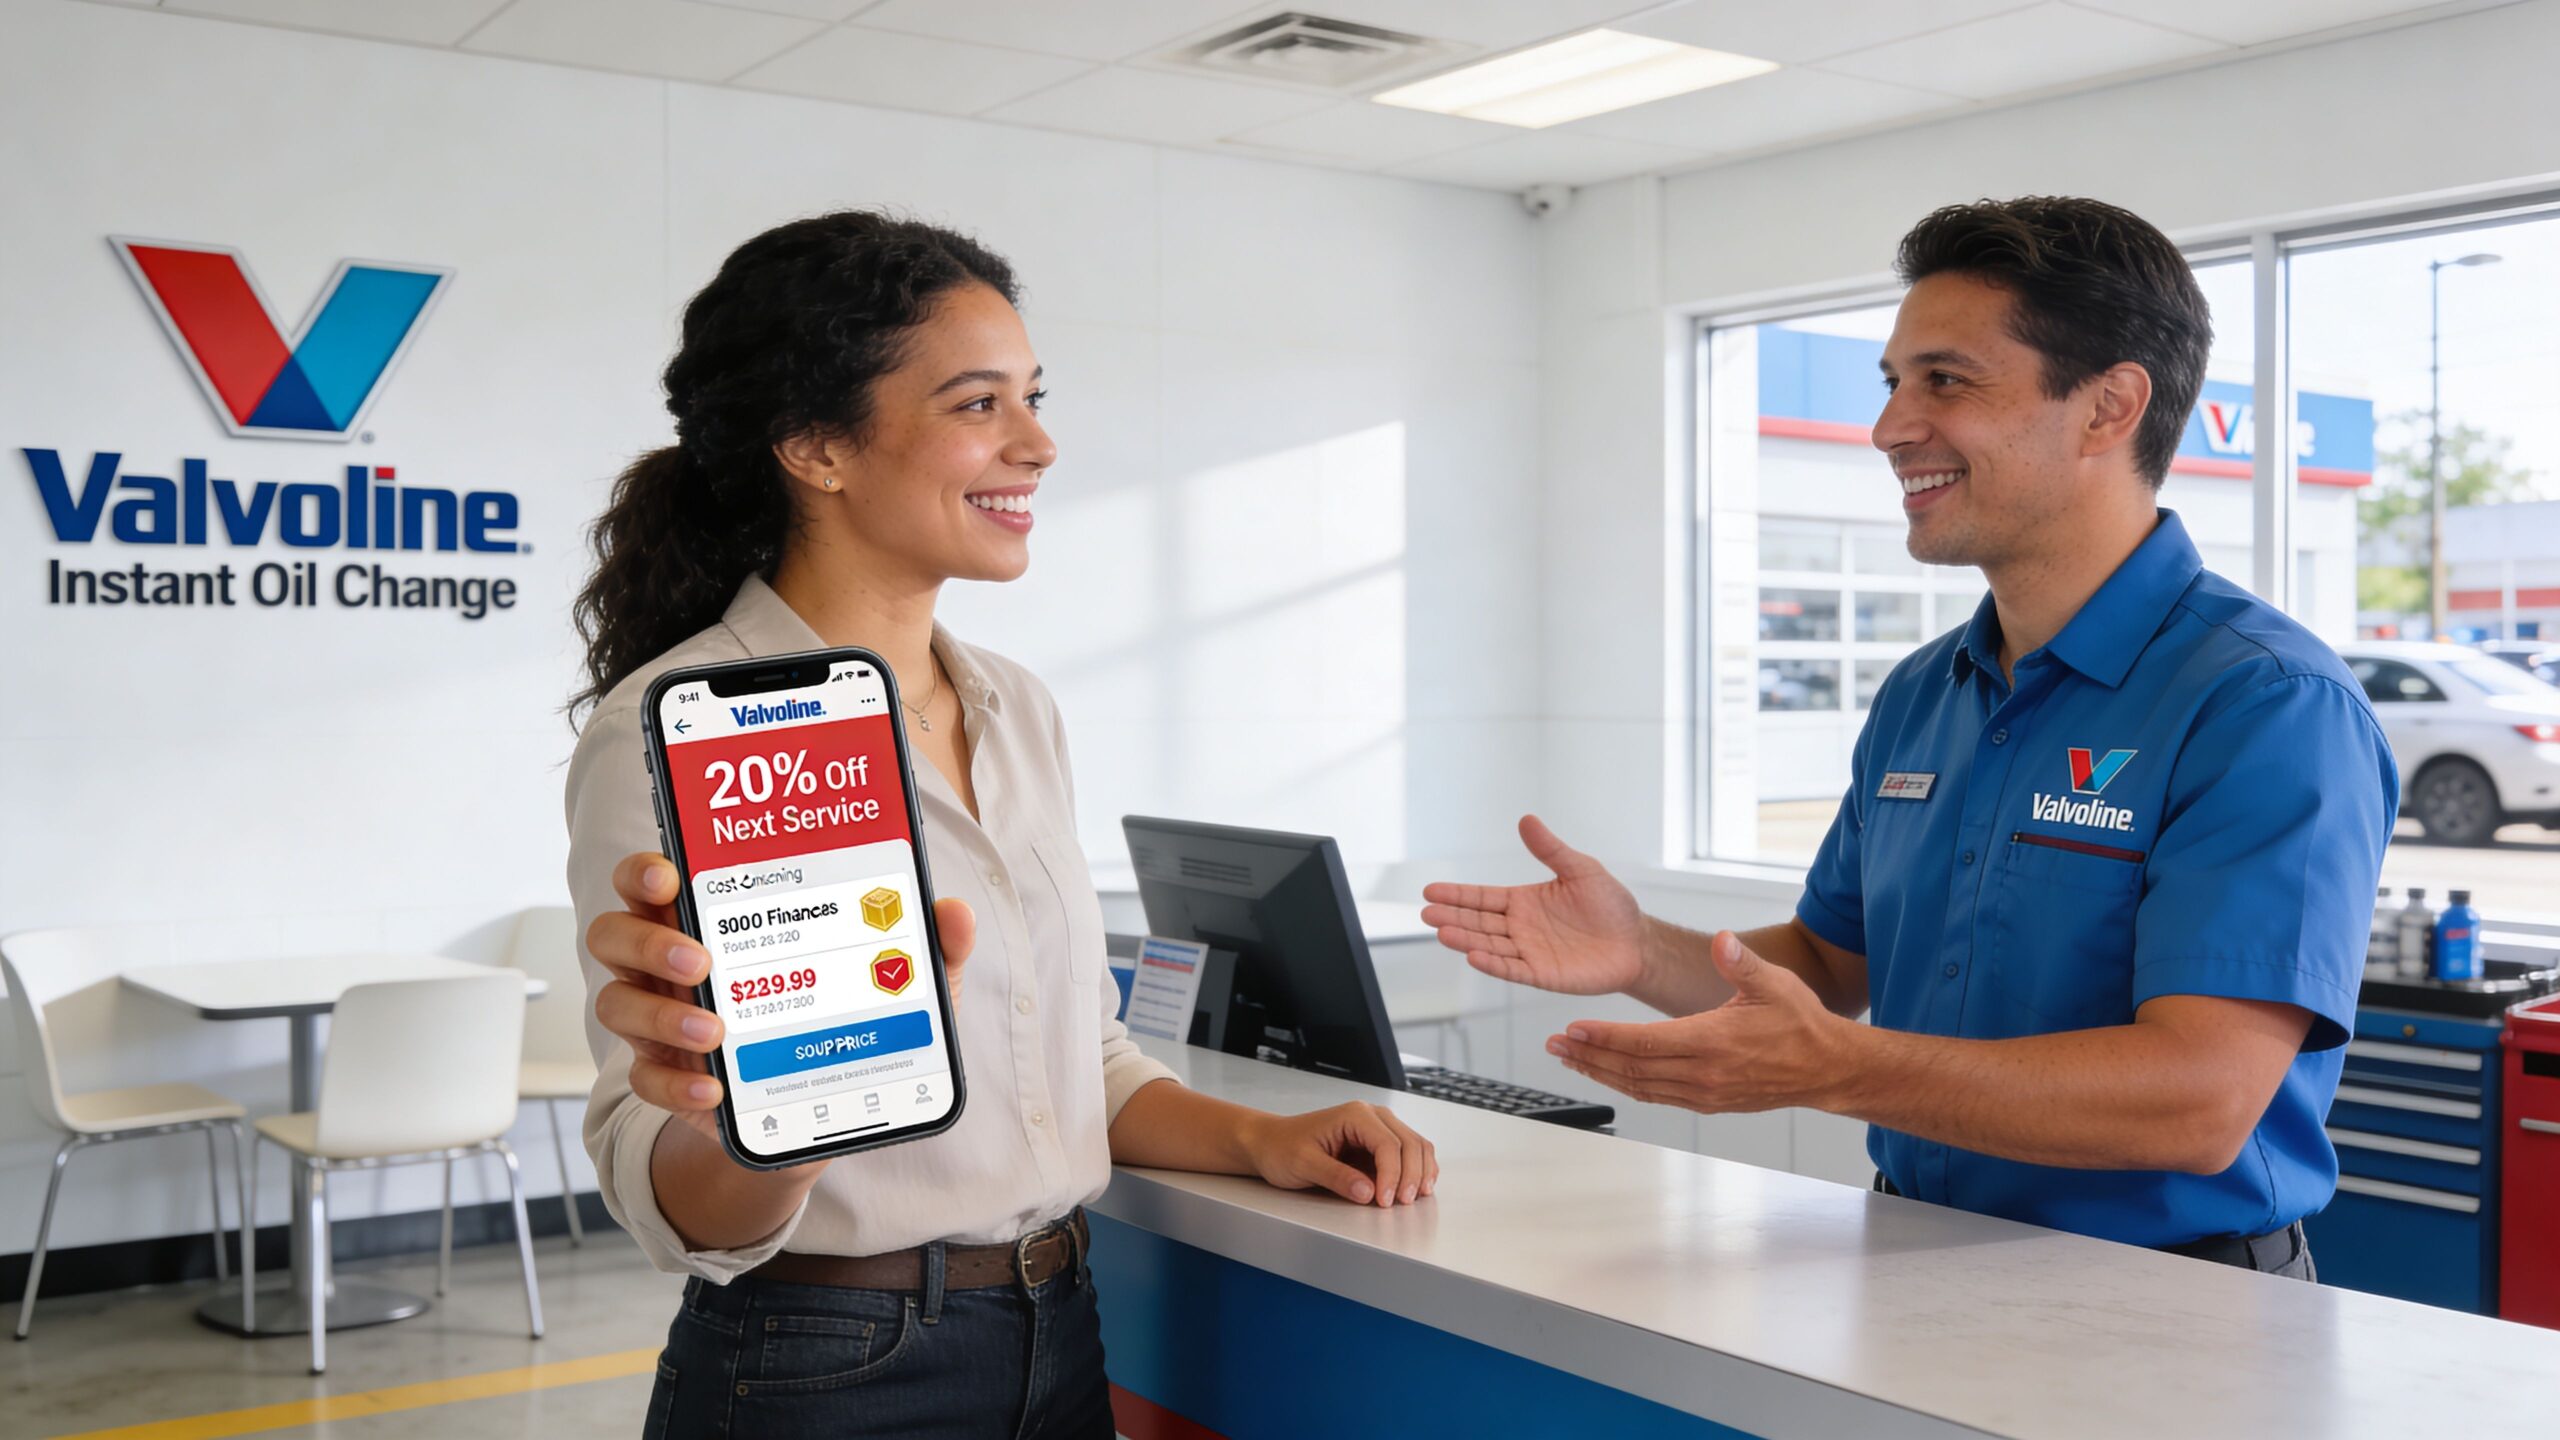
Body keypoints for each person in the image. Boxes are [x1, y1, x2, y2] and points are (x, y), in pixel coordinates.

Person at [565, 211, 1436, 1440]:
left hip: (1060, 1332)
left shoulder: (1014, 708)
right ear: (815, 445)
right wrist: (778, 1139)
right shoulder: (674, 726)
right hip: (822, 1366)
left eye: (1031, 396)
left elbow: (1080, 1063)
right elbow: (654, 1175)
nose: (1037, 442)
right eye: (979, 405)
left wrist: (1261, 1136)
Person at [1424, 196, 2396, 1280]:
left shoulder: (2264, 704)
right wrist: (1636, 949)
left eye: (1946, 380)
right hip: (1911, 1260)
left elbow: (2197, 1101)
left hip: (2174, 1296)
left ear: (2107, 407)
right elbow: (1832, 966)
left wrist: (1833, 1071)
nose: (1890, 427)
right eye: (1891, 383)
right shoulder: (1924, 693)